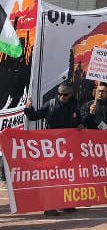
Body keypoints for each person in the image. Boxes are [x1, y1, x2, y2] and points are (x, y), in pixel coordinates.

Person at [24, 83, 81, 217]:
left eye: (65, 94)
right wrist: (28, 109)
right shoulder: (50, 105)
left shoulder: (74, 105)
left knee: (66, 176)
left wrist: (80, 123)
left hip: (67, 148)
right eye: (59, 94)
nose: (61, 96)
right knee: (51, 178)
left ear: (71, 95)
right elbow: (34, 116)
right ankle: (49, 207)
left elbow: (78, 118)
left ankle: (65, 203)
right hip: (52, 148)